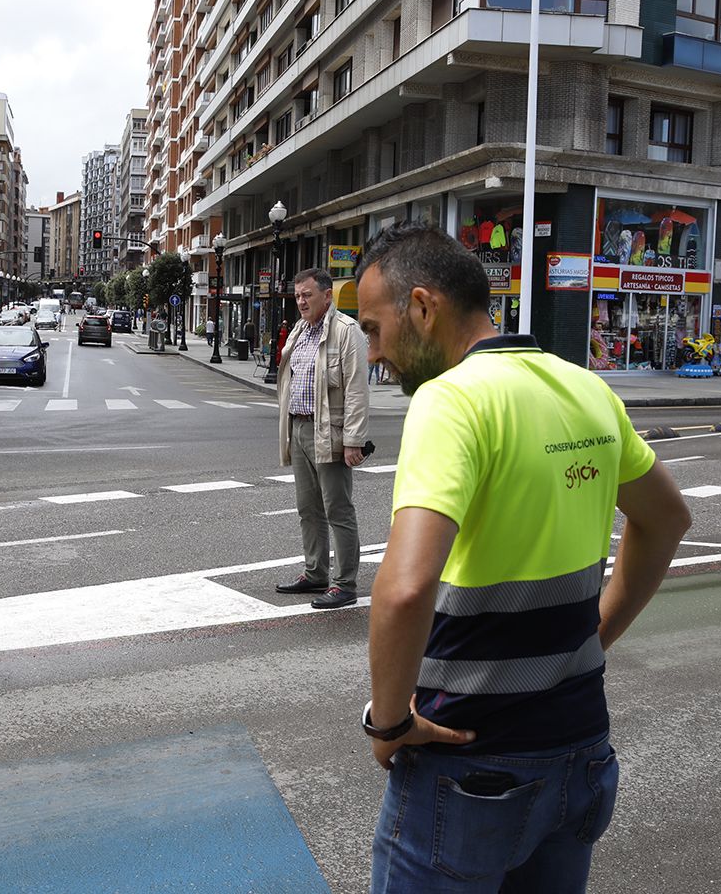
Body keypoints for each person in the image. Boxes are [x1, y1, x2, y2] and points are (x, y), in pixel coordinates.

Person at [353, 223, 691, 893]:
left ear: (423, 306)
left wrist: (387, 721)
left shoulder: (452, 400)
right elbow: (668, 520)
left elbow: (403, 588)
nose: (373, 352)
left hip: (474, 769)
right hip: (582, 755)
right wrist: (595, 635)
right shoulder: (586, 389)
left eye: (373, 328)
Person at [274, 268, 370, 610]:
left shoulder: (346, 332)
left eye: (307, 295)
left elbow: (357, 389)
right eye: (298, 295)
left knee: (337, 508)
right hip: (299, 428)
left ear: (326, 296)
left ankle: (345, 583)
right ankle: (316, 572)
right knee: (307, 507)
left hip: (329, 430)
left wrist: (354, 440)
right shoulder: (300, 330)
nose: (301, 301)